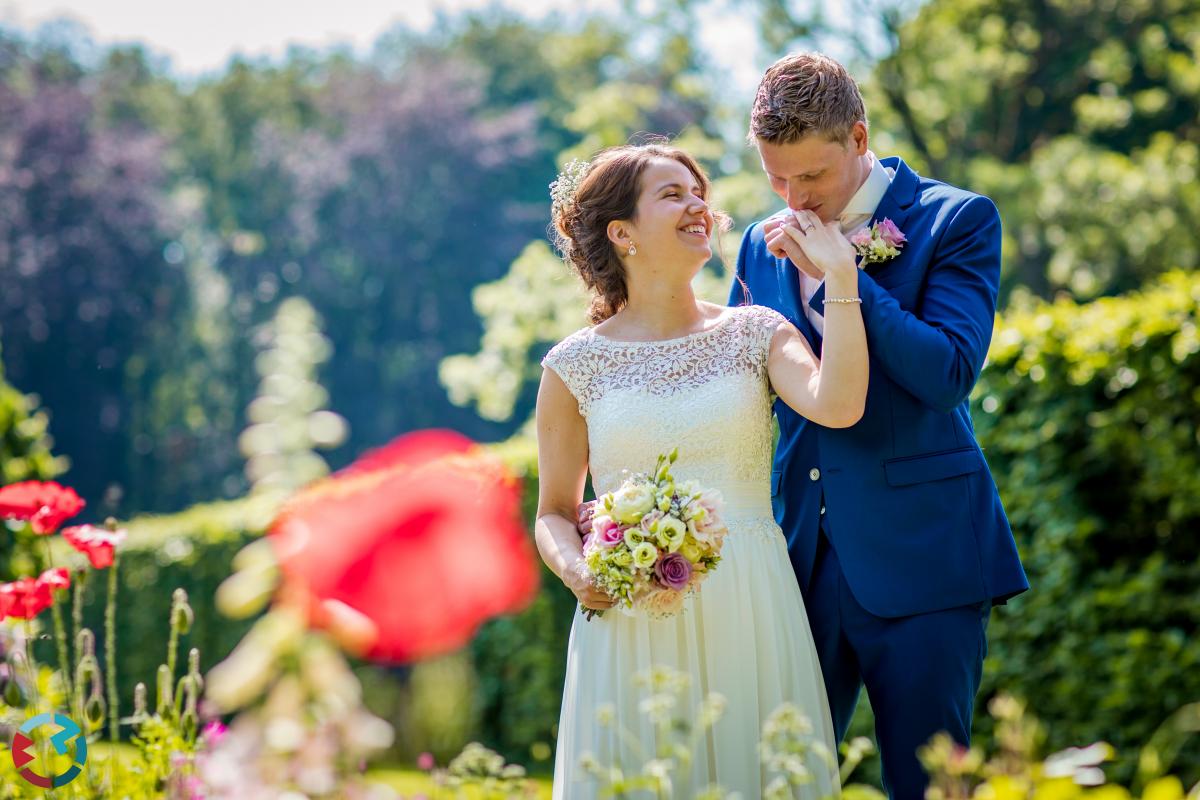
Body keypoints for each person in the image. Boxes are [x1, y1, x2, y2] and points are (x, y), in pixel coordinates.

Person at [728, 52, 1030, 800]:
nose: (794, 198)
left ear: (859, 138)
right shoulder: (757, 245)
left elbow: (948, 371)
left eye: (812, 178)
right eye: (777, 177)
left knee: (929, 787)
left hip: (923, 556)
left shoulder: (955, 219)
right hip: (794, 563)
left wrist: (846, 278)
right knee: (781, 783)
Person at [535, 141, 868, 798]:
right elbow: (552, 511)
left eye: (699, 194)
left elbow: (839, 403)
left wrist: (844, 281)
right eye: (672, 193)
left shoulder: (757, 331)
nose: (699, 206)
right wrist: (576, 570)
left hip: (752, 598)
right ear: (622, 233)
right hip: (632, 616)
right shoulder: (572, 366)